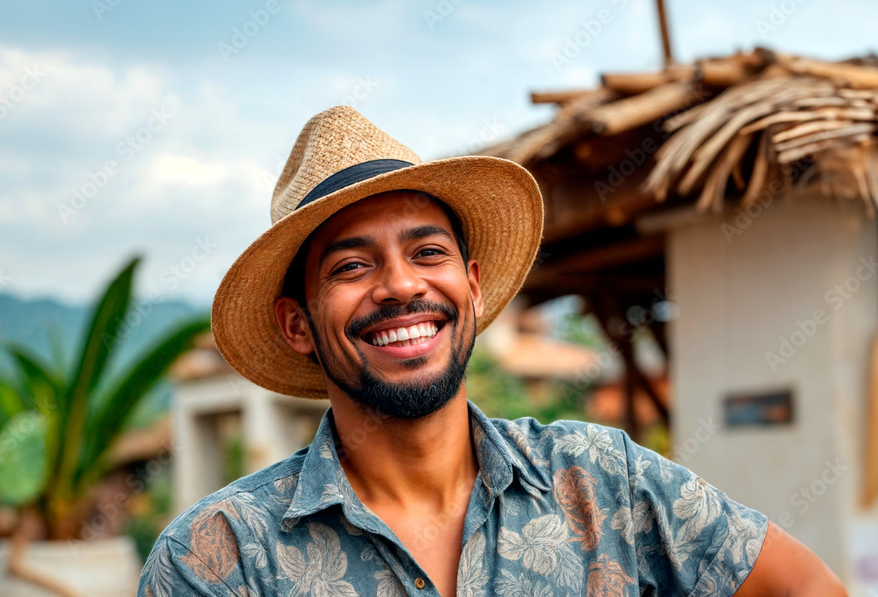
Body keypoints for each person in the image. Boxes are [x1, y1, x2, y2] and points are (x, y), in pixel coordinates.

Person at [138, 106, 846, 596]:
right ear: (298, 324)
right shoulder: (221, 556)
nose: (401, 285)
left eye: (428, 251)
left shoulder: (605, 483)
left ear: (471, 289)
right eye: (352, 266)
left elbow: (806, 585)